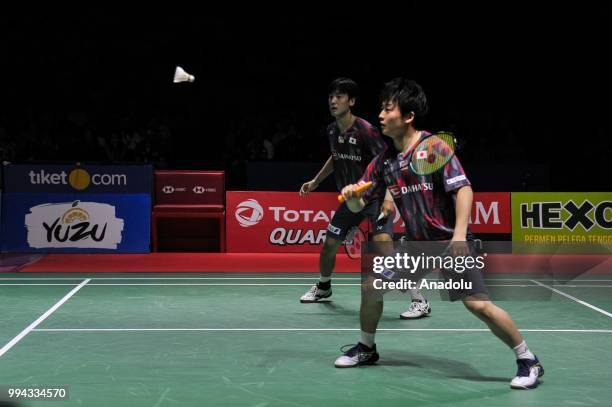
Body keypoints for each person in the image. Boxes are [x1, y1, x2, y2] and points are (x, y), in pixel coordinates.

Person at [336, 78, 544, 390]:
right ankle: (366, 348)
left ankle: (528, 360)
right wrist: (352, 194)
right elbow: (359, 203)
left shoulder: (432, 148)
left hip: (450, 243)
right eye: (381, 107)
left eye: (388, 108)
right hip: (416, 248)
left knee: (478, 305)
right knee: (371, 285)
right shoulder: (384, 162)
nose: (380, 114)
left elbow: (464, 190)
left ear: (408, 116)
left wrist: (460, 236)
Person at [299, 77, 431, 319]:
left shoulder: (366, 131)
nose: (333, 100)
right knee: (329, 245)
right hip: (351, 199)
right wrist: (316, 181)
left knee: (384, 249)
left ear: (351, 101)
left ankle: (419, 300)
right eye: (331, 96)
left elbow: (390, 162)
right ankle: (324, 286)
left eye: (339, 96)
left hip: (376, 198)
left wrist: (390, 198)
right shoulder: (331, 129)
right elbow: (335, 156)